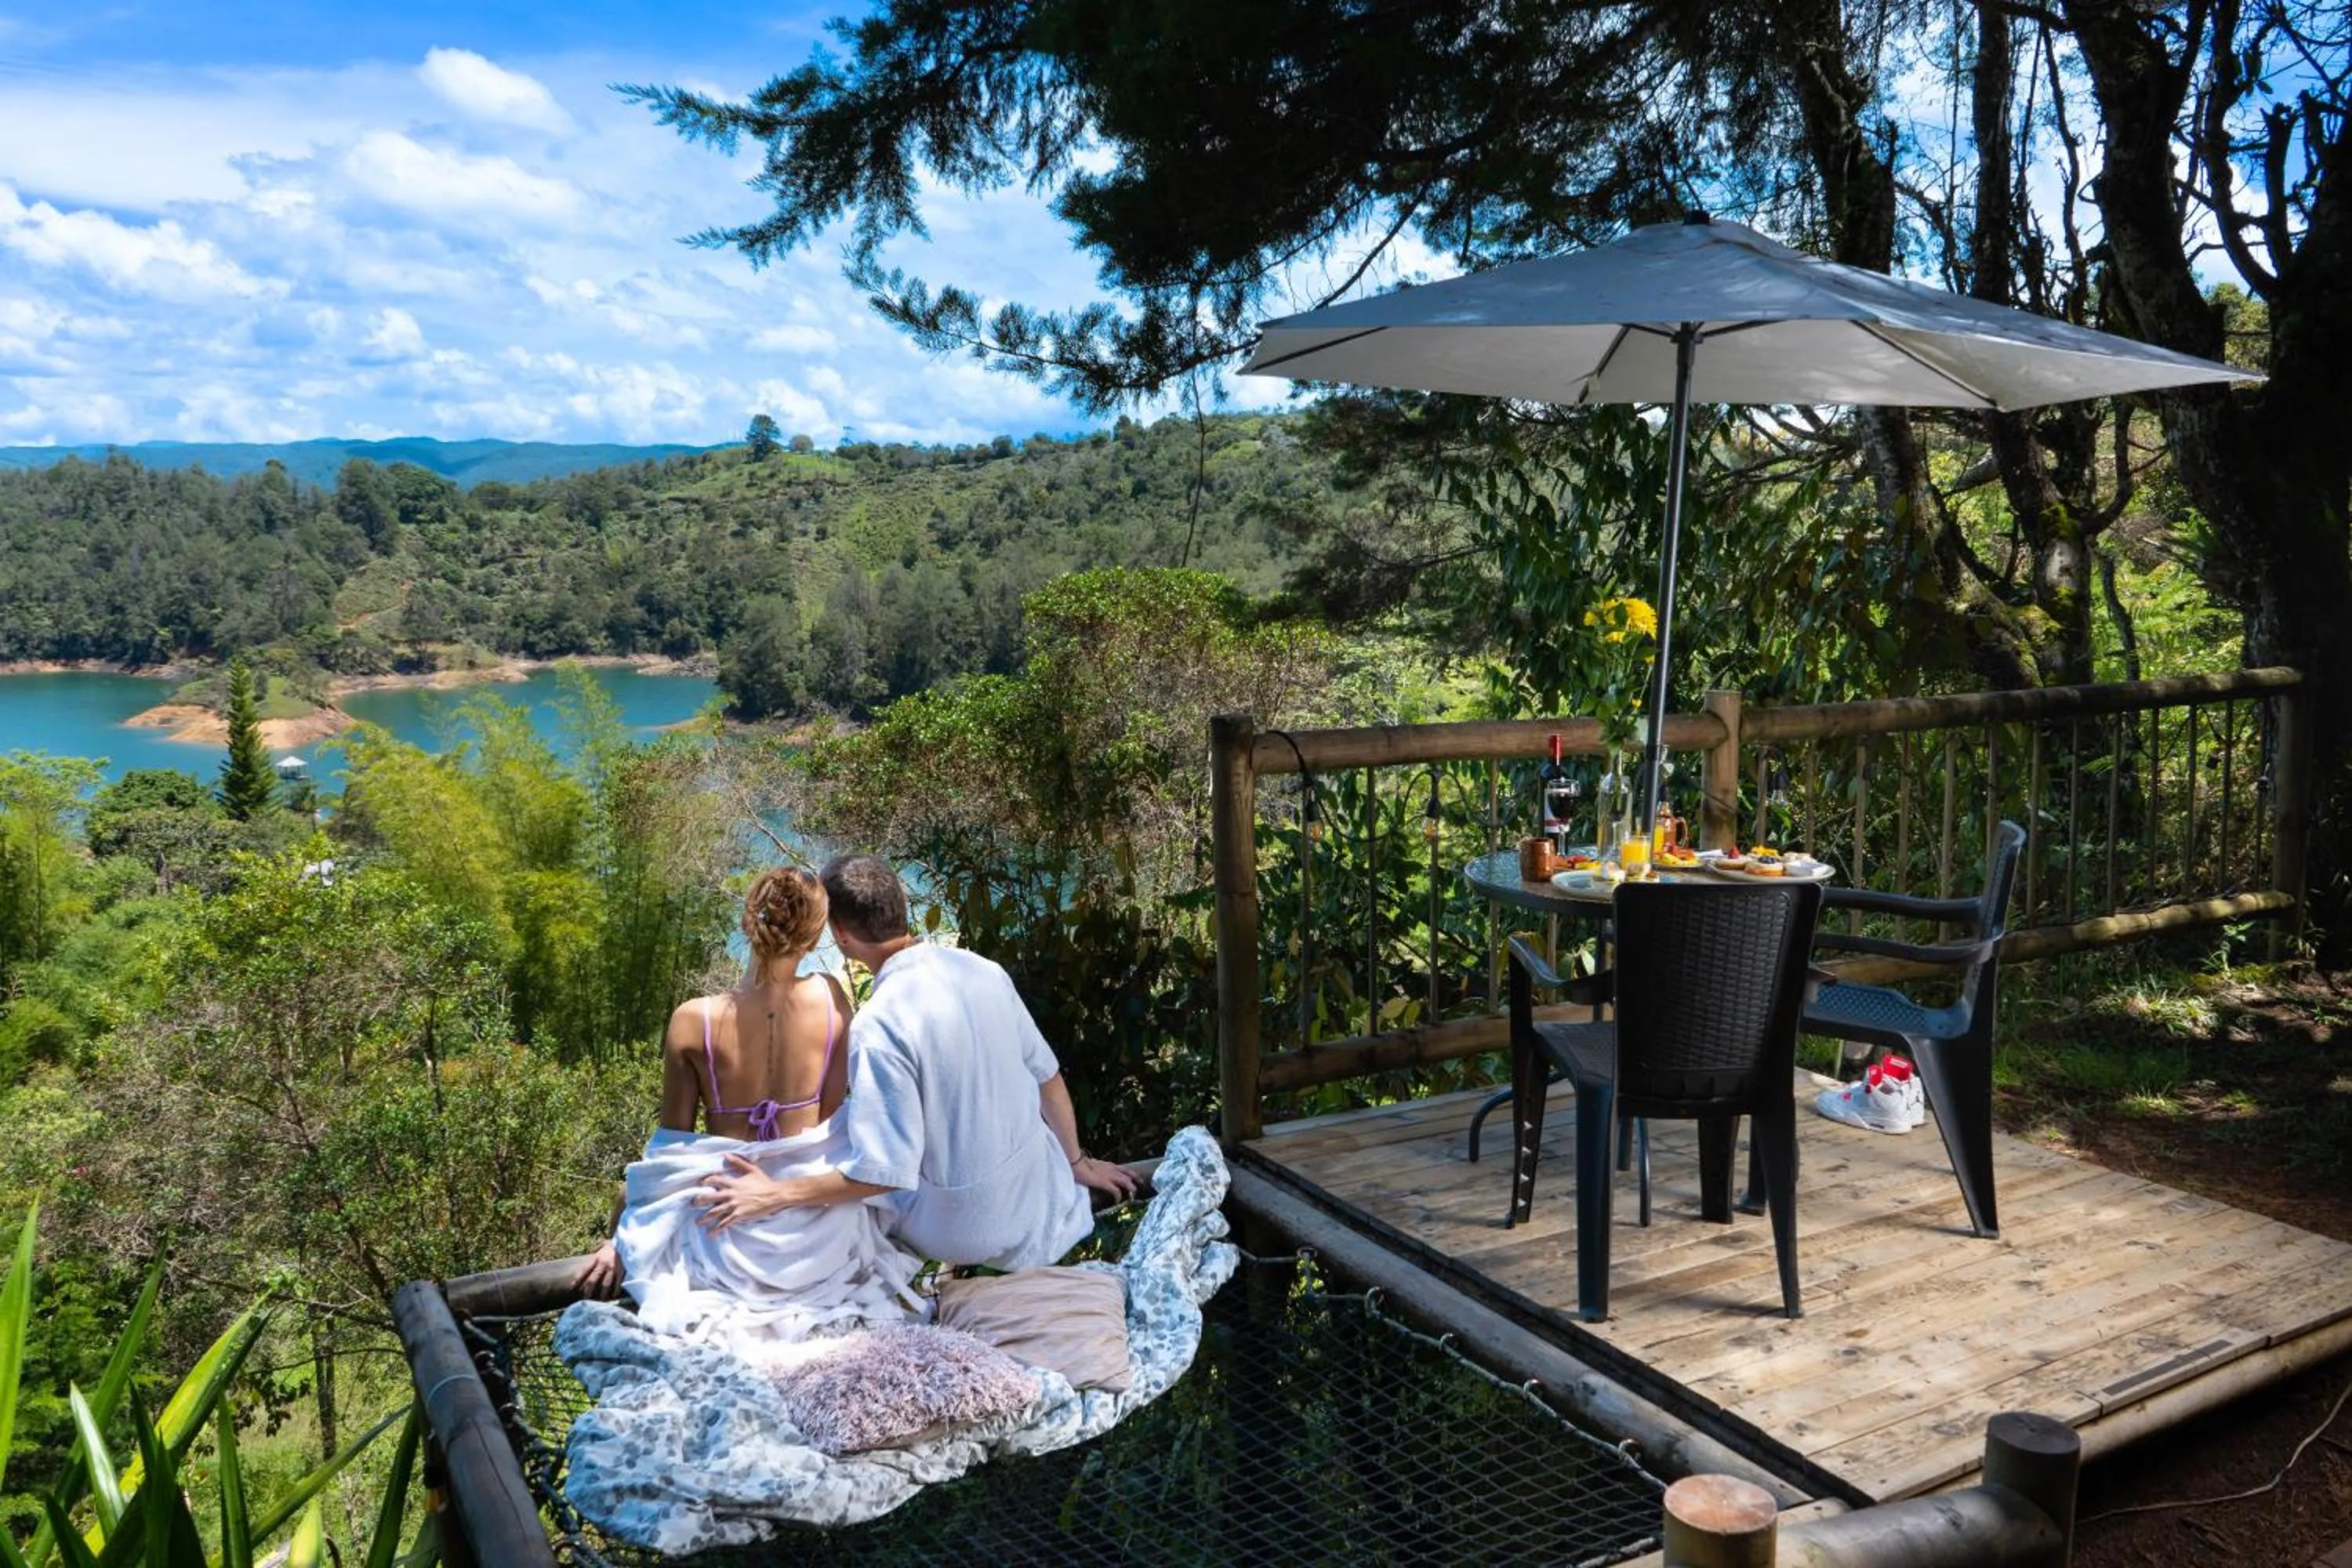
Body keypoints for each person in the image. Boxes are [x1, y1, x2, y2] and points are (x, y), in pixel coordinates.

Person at [694, 853, 1137, 1270]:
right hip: (1037, 1200)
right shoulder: (983, 970)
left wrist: (773, 1194)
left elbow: (882, 1174)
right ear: (900, 906)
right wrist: (1075, 1162)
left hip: (961, 1232)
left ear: (841, 935)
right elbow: (1048, 1078)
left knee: (850, 1154)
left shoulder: (879, 1024)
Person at [573, 869, 915, 1330]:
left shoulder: (693, 1020)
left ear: (747, 922)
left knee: (624, 1193)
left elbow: (671, 1152)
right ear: (816, 939)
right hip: (814, 1235)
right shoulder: (832, 998)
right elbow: (831, 1127)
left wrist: (624, 1237)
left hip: (726, 1226)